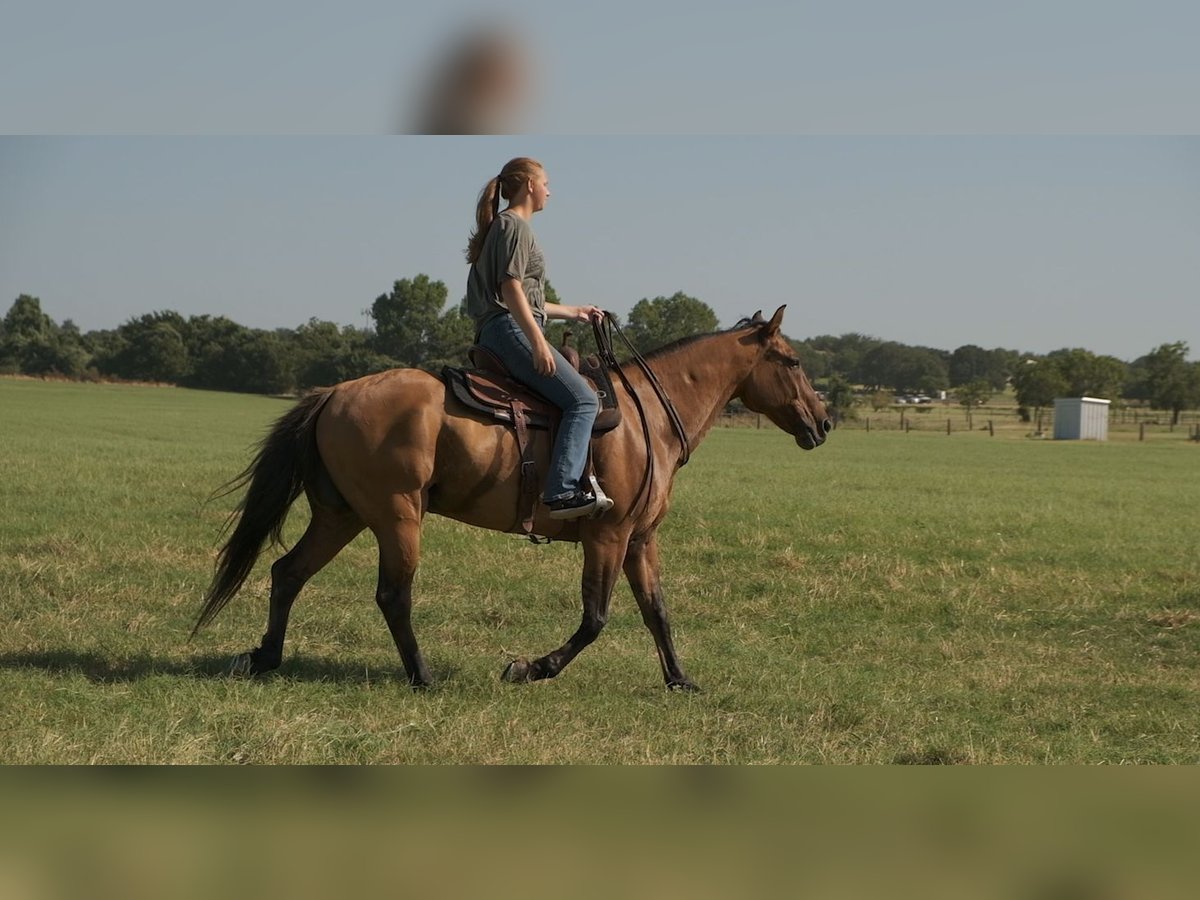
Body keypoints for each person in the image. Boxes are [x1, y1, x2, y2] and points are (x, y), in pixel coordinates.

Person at [464, 157, 605, 520]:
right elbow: (510, 288)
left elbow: (527, 297)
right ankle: (561, 491)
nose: (549, 190)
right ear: (529, 184)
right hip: (509, 329)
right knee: (584, 400)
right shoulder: (517, 226)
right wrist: (539, 342)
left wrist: (575, 311)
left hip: (497, 329)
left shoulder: (503, 225)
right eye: (545, 183)